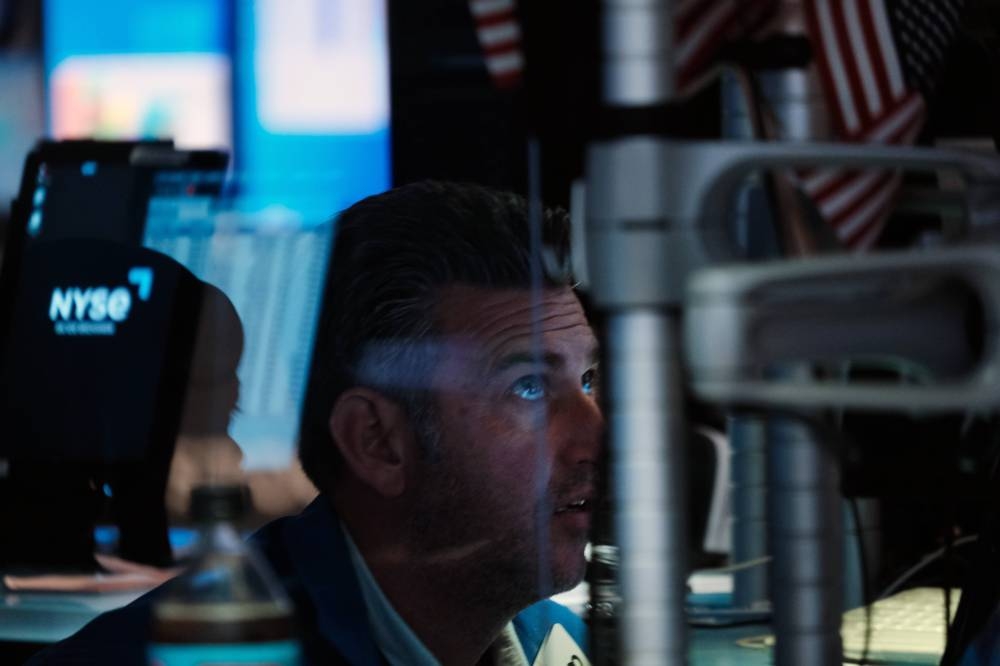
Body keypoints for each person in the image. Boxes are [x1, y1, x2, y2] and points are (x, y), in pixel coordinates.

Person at [28, 180, 603, 665]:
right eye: (528, 387)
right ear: (376, 441)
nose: (596, 437)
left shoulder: (555, 641)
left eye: (587, 381)